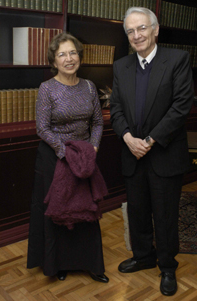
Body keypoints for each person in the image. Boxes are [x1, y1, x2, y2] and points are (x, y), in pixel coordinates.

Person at [110, 7, 194, 296]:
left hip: (164, 153)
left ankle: (167, 266)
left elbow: (181, 105)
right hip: (132, 153)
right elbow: (115, 108)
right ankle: (143, 256)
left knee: (166, 214)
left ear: (155, 29)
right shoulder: (121, 66)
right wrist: (128, 137)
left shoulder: (178, 60)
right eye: (131, 31)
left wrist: (150, 140)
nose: (137, 35)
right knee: (138, 209)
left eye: (142, 28)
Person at [27, 32, 109, 284]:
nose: (69, 58)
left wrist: (93, 148)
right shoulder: (47, 88)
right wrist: (65, 153)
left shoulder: (88, 86)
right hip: (55, 158)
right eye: (62, 54)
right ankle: (59, 264)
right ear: (54, 60)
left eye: (73, 52)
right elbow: (42, 128)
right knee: (60, 213)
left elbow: (97, 122)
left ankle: (91, 264)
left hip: (84, 159)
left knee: (86, 211)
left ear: (79, 57)